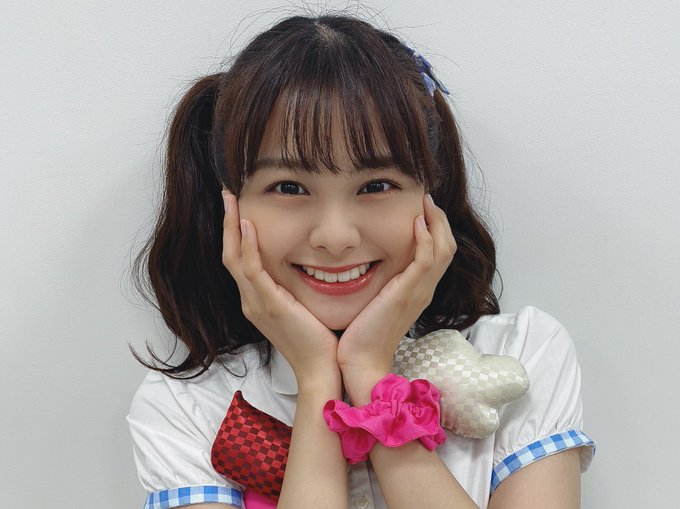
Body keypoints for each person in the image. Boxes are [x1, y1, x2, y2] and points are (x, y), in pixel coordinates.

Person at [127, 14, 595, 509]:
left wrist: (370, 373)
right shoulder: (185, 408)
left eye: (376, 185)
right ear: (231, 205)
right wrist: (317, 381)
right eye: (289, 187)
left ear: (430, 196)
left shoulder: (523, 354)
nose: (335, 237)